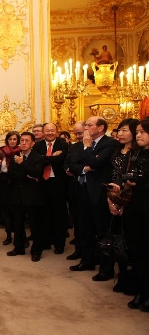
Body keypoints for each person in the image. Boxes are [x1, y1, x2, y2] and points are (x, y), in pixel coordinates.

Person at [69, 116, 119, 281]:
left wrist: (88, 147)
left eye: (89, 125)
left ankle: (106, 269)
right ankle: (87, 260)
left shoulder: (110, 143)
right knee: (84, 229)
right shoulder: (80, 144)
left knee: (102, 232)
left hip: (99, 193)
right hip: (81, 190)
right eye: (85, 125)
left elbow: (97, 163)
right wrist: (86, 168)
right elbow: (73, 165)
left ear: (101, 128)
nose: (86, 128)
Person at [104, 118, 139, 295]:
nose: (120, 133)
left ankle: (134, 279)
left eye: (125, 130)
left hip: (131, 203)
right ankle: (122, 275)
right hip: (114, 199)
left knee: (131, 242)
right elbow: (112, 177)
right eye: (119, 130)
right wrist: (112, 201)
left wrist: (124, 202)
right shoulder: (117, 151)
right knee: (118, 241)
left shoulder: (137, 154)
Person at [123, 118, 149, 312]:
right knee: (137, 250)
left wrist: (139, 183)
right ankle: (141, 291)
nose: (138, 135)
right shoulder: (136, 154)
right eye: (137, 131)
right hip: (135, 207)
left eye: (143, 132)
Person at [7, 132, 45, 262]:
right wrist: (26, 176)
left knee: (35, 226)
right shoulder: (14, 156)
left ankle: (36, 251)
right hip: (17, 195)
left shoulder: (38, 158)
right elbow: (11, 174)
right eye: (21, 140)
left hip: (33, 196)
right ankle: (19, 247)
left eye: (26, 141)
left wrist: (23, 164)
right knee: (18, 224)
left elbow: (37, 173)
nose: (23, 143)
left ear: (32, 143)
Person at [34, 123, 69, 254]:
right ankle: (46, 242)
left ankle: (59, 244)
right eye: (47, 130)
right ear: (43, 132)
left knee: (59, 214)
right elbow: (37, 161)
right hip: (42, 183)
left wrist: (46, 158)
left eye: (52, 130)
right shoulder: (38, 145)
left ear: (56, 131)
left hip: (58, 183)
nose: (49, 133)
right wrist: (51, 157)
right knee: (44, 214)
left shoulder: (63, 144)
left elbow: (60, 160)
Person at [64, 121, 86, 261]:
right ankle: (79, 250)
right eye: (76, 133)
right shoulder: (75, 146)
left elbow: (90, 164)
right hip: (77, 187)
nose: (77, 136)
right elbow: (68, 161)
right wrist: (69, 169)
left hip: (92, 189)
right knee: (78, 222)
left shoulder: (98, 146)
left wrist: (76, 168)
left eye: (80, 133)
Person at [0, 131, 21, 245]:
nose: (12, 141)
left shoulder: (20, 152)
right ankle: (8, 236)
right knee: (6, 210)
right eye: (10, 139)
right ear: (7, 140)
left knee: (17, 211)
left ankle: (20, 237)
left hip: (15, 182)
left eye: (14, 139)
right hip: (3, 182)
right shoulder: (1, 152)